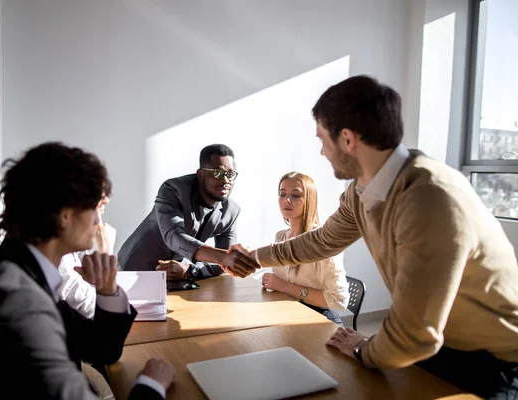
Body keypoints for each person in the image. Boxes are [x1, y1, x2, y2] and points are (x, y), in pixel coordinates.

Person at [227, 76, 518, 399]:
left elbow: (414, 336)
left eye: (323, 140)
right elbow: (320, 240)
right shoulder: (362, 191)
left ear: (348, 140)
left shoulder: (429, 197)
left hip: (493, 363)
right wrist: (253, 258)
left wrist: (364, 349)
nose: (322, 152)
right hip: (437, 347)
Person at [0, 142, 175, 399]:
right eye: (93, 207)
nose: (98, 220)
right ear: (65, 215)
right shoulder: (19, 302)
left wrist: (108, 291)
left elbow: (99, 350)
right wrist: (150, 386)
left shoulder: (28, 270)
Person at [118, 144, 259, 281]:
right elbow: (174, 236)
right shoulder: (173, 190)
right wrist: (223, 257)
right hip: (134, 271)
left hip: (174, 278)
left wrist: (191, 270)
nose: (225, 180)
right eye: (217, 172)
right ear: (200, 174)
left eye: (230, 173)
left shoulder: (231, 211)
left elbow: (225, 263)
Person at [261, 172, 349, 326]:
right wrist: (272, 282)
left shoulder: (322, 241)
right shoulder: (280, 237)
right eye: (282, 194)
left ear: (309, 200)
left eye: (296, 195)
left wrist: (283, 286)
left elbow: (339, 300)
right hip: (288, 314)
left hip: (320, 320)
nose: (287, 200)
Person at [58, 192, 116, 319]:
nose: (106, 200)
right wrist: (105, 252)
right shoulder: (60, 262)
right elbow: (92, 310)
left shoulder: (70, 253)